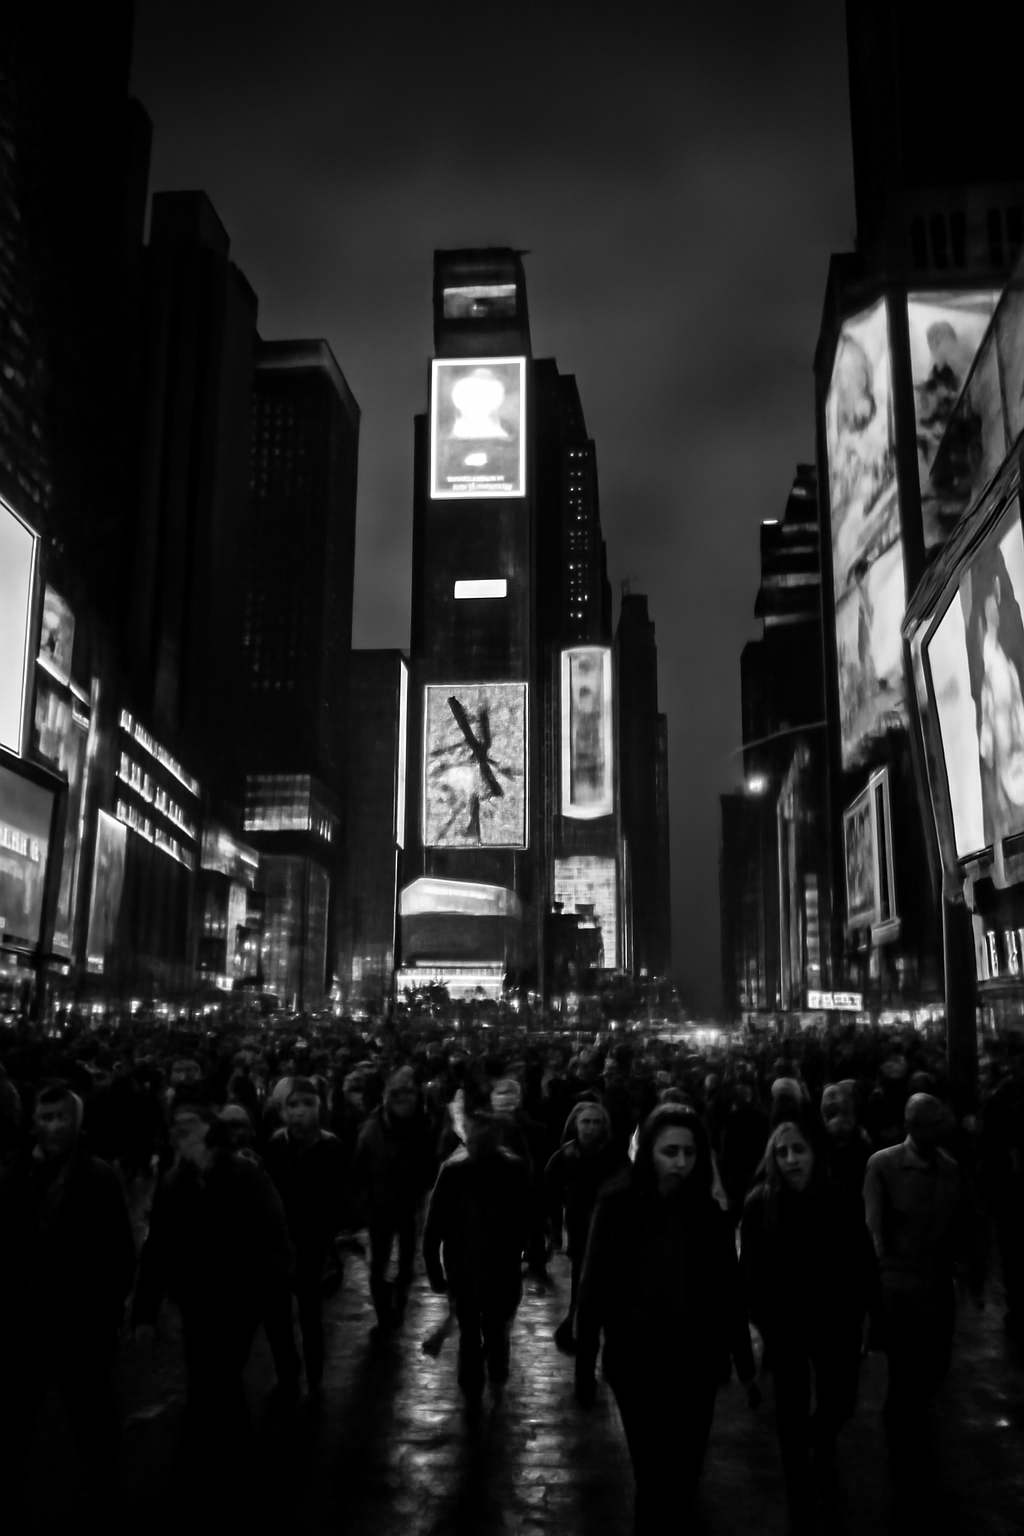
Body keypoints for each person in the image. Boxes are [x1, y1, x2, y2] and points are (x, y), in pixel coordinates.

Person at [574, 1105, 759, 1534]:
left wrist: (742, 1360)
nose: (680, 1162)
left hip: (696, 1362)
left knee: (686, 1469)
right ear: (649, 1152)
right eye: (670, 1151)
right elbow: (594, 1285)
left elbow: (728, 1290)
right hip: (638, 1361)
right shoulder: (618, 1204)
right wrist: (585, 1363)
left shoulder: (707, 1213)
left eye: (689, 1152)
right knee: (654, 1474)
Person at [130, 1094, 294, 1511]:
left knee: (212, 1380)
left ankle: (193, 1476)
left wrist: (257, 1300)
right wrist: (146, 1313)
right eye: (174, 1126)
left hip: (238, 1303)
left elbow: (275, 1244)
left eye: (188, 1123)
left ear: (209, 1131)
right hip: (196, 1303)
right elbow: (158, 1249)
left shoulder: (245, 1176)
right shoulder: (172, 1183)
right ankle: (236, 1471)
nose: (178, 1131)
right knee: (215, 1381)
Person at [0, 1082, 136, 1524]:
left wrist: (106, 1318)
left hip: (78, 1325)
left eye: (62, 1117)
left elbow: (119, 1255)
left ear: (77, 1123)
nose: (54, 1126)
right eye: (46, 1117)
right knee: (15, 1420)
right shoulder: (18, 1173)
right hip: (25, 1323)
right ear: (33, 1122)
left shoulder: (99, 1179)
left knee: (91, 1417)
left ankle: (101, 1494)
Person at [742, 1110, 877, 1534]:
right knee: (790, 1407)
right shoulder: (760, 1203)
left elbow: (862, 1259)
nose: (791, 1159)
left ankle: (817, 1437)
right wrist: (761, 1317)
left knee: (841, 1399)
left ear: (814, 1153)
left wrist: (870, 1309)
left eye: (798, 1150)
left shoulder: (839, 1198)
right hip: (786, 1322)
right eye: (782, 1152)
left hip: (835, 1319)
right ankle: (798, 1482)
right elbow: (752, 1268)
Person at [863, 1092, 985, 1463]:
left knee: (934, 1363)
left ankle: (911, 1425)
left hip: (936, 1284)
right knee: (905, 1367)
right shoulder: (884, 1165)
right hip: (899, 1286)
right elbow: (873, 1229)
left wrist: (971, 1273)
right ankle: (903, 1437)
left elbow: (965, 1225)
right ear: (914, 1127)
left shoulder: (950, 1169)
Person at [423, 1110, 530, 1401]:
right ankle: (484, 1371)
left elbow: (527, 1216)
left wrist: (434, 1265)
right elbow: (529, 1217)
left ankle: (479, 1373)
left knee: (478, 1328)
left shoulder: (461, 1170)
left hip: (477, 1267)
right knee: (482, 1327)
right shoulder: (461, 1171)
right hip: (482, 1267)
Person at [262, 1077, 347, 1397]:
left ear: (319, 1108)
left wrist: (327, 1232)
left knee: (310, 1314)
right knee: (276, 1316)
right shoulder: (273, 1146)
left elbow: (340, 1197)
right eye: (292, 1104)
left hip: (312, 1244)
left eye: (307, 1104)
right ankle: (288, 1372)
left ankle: (314, 1376)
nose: (299, 1111)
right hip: (277, 1243)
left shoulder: (332, 1147)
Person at [349, 1064, 433, 1333]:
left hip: (409, 1206)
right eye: (398, 1095)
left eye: (408, 1095)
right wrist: (363, 1208)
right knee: (379, 1266)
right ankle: (385, 1313)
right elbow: (358, 1172)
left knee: (406, 1264)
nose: (404, 1101)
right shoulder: (371, 1131)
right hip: (380, 1208)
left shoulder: (424, 1127)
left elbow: (432, 1166)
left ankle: (397, 1306)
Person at [545, 1100, 628, 1353]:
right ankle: (580, 1343)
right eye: (586, 1122)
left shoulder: (615, 1156)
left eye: (596, 1122)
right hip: (581, 1235)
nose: (590, 1128)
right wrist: (555, 1231)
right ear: (576, 1124)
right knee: (582, 1289)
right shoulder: (565, 1157)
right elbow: (550, 1193)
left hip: (613, 1235)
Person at [819, 1081, 873, 1201]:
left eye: (843, 1111)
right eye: (833, 1113)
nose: (838, 1120)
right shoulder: (817, 1146)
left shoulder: (863, 1147)